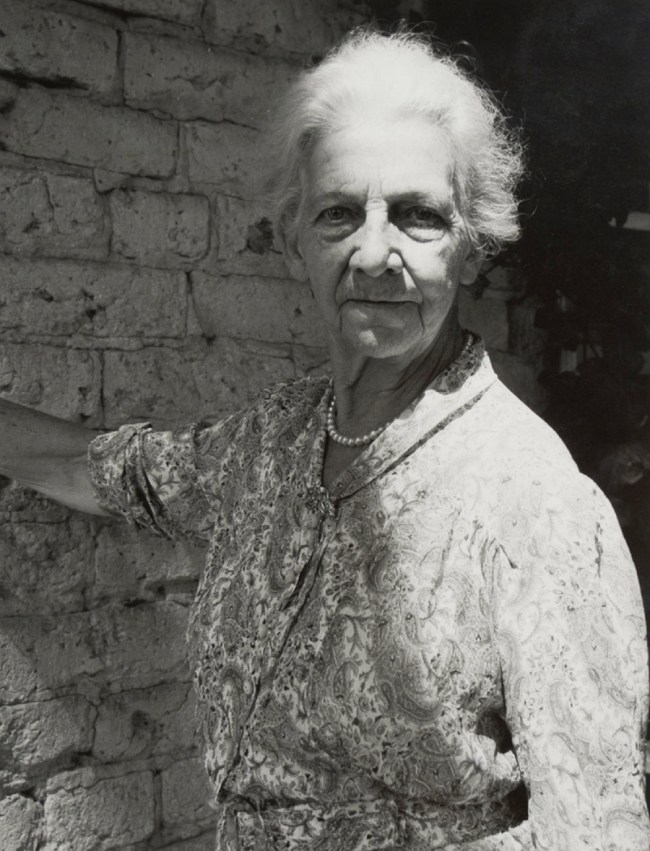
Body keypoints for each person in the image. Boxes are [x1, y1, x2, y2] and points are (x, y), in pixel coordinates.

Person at [1, 29, 649, 851]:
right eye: (340, 212)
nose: (375, 253)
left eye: (418, 215)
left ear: (473, 247)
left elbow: (598, 836)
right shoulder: (273, 441)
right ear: (294, 237)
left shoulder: (535, 504)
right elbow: (110, 472)